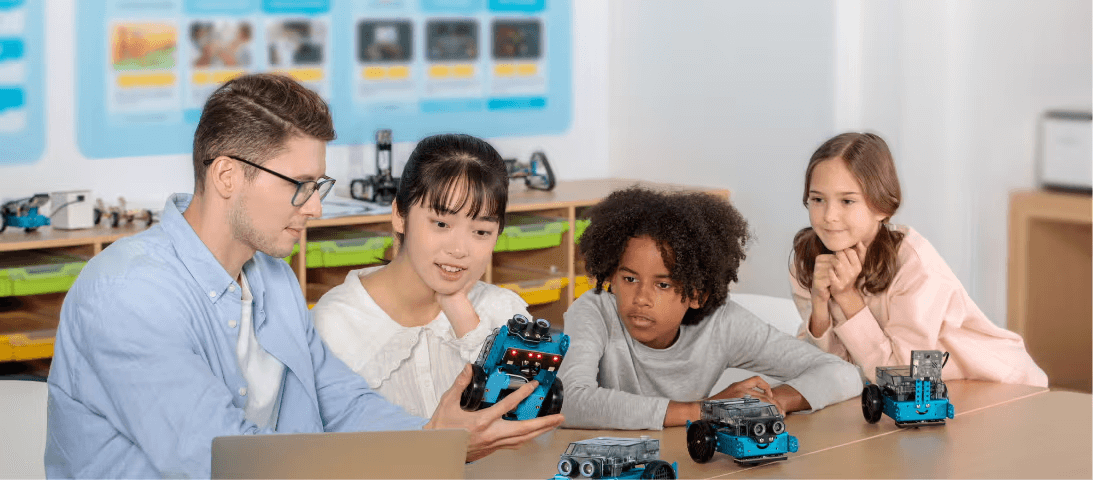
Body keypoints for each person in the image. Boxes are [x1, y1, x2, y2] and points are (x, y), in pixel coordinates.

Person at [44, 73, 562, 478]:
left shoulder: (271, 278)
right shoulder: (129, 295)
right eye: (300, 185)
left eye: (318, 184)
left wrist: (437, 438)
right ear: (227, 175)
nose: (315, 207)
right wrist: (435, 448)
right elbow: (220, 461)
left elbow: (337, 400)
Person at [557, 187, 862, 430]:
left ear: (697, 295)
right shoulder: (594, 312)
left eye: (662, 285)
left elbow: (843, 374)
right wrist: (704, 409)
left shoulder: (722, 324)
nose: (640, 297)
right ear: (611, 274)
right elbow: (569, 401)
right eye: (629, 278)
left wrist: (773, 400)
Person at [790, 132, 1047, 386]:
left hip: (999, 384)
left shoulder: (915, 265)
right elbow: (832, 373)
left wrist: (847, 297)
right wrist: (820, 308)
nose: (829, 216)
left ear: (882, 207)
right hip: (936, 391)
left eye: (847, 201)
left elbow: (906, 378)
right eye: (817, 199)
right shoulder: (809, 262)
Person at [311, 133, 532, 418]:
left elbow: (525, 419)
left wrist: (463, 317)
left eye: (481, 232)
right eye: (441, 223)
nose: (458, 249)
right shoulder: (337, 322)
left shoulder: (503, 311)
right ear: (399, 215)